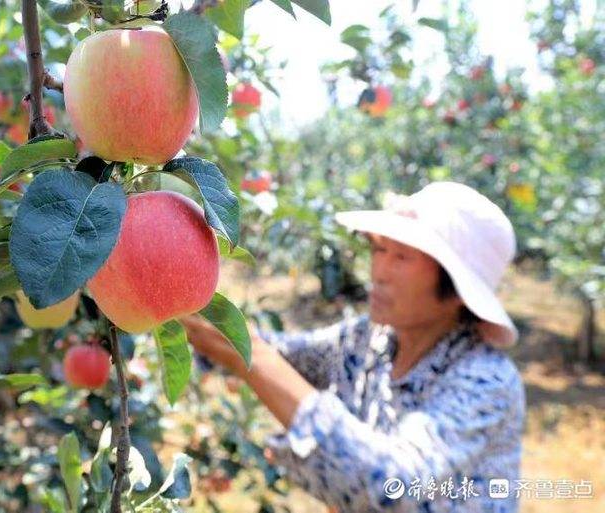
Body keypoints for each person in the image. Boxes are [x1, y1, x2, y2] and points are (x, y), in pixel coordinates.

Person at [179, 182, 526, 513]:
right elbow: (283, 353)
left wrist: (254, 357)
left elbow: (393, 486)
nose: (379, 271)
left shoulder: (486, 381)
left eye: (402, 257)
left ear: (457, 291)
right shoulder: (369, 341)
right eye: (379, 249)